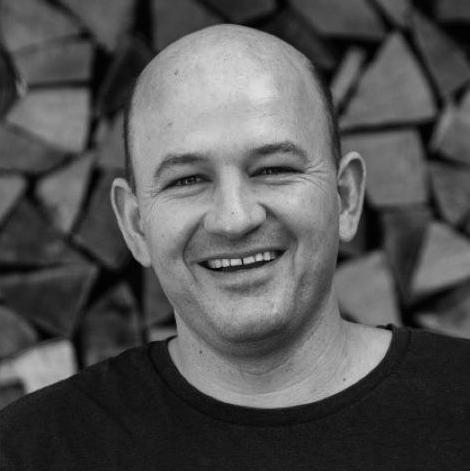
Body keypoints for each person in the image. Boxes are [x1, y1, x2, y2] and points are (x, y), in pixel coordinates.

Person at [1, 24, 469, 470]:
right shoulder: (31, 451)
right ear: (136, 224)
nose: (235, 218)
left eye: (274, 169)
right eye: (187, 180)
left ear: (345, 197)